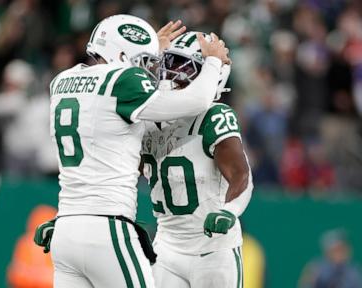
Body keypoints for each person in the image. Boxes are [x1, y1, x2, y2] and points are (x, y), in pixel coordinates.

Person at [35, 15, 230, 288]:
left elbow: (106, 116)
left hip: (66, 227)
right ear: (123, 53)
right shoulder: (123, 80)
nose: (148, 66)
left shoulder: (61, 81)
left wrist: (153, 49)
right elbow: (195, 100)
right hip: (106, 227)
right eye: (143, 59)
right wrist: (213, 63)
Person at [141, 31, 253, 288]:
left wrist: (230, 211)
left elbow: (241, 175)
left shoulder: (214, 117)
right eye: (169, 63)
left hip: (212, 250)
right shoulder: (148, 115)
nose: (171, 75)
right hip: (167, 245)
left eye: (184, 67)